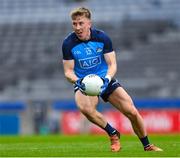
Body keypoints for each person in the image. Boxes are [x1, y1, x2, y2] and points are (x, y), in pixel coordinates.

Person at [62, 7, 163, 152]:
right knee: (85, 109)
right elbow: (68, 72)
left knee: (132, 111)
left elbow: (112, 64)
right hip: (85, 82)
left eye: (81, 23)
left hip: (104, 78)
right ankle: (113, 133)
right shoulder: (68, 43)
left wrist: (107, 79)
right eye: (74, 24)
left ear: (89, 23)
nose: (77, 27)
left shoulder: (102, 37)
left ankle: (147, 145)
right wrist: (78, 81)